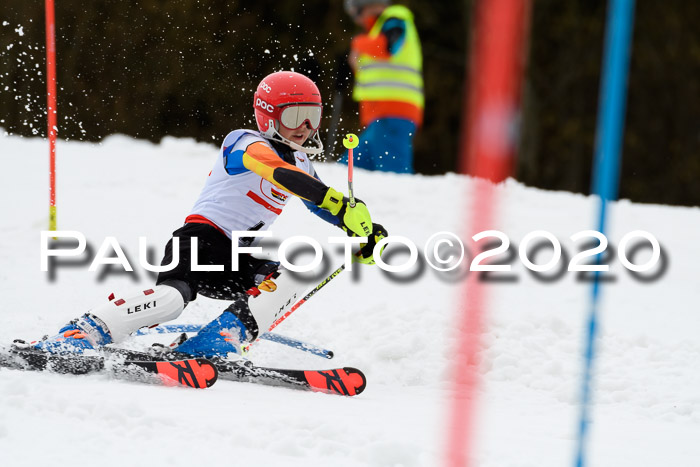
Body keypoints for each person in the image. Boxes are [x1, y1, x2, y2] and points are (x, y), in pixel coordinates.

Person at [33, 71, 387, 359]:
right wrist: (337, 202)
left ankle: (217, 341)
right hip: (200, 243)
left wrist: (364, 231)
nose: (306, 126)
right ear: (267, 115)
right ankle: (87, 330)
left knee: (294, 275)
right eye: (295, 116)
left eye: (314, 115)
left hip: (236, 257)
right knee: (172, 299)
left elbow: (318, 202)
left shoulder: (302, 161)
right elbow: (278, 173)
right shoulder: (244, 142)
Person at [339, 0, 424, 174]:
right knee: (345, 171)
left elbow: (388, 46)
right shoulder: (377, 32)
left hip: (393, 113)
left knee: (394, 176)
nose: (357, 20)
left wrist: (357, 44)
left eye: (357, 13)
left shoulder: (395, 18)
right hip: (378, 118)